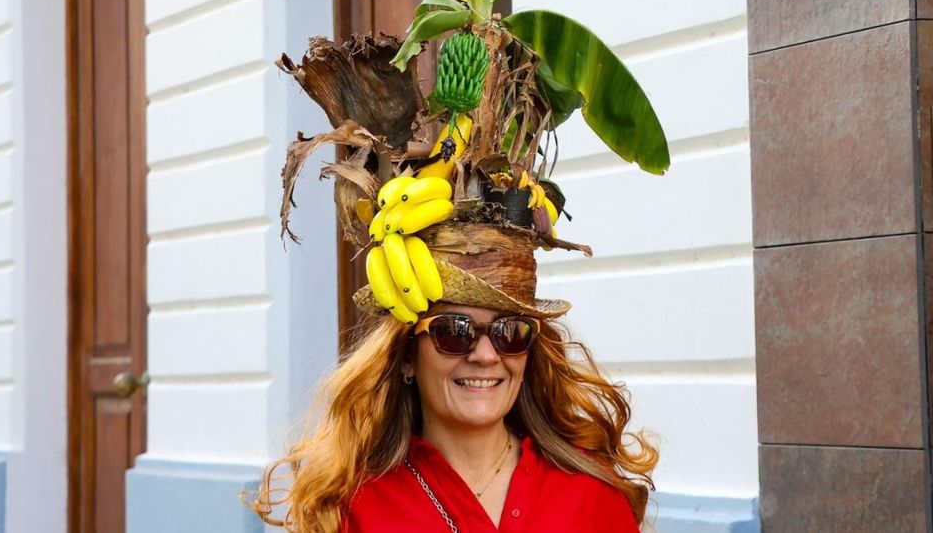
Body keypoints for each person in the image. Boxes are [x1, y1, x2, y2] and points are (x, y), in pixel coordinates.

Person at [248, 223, 658, 532]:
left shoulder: (589, 494)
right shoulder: (354, 503)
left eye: (510, 333)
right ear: (408, 356)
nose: (485, 355)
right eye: (453, 332)